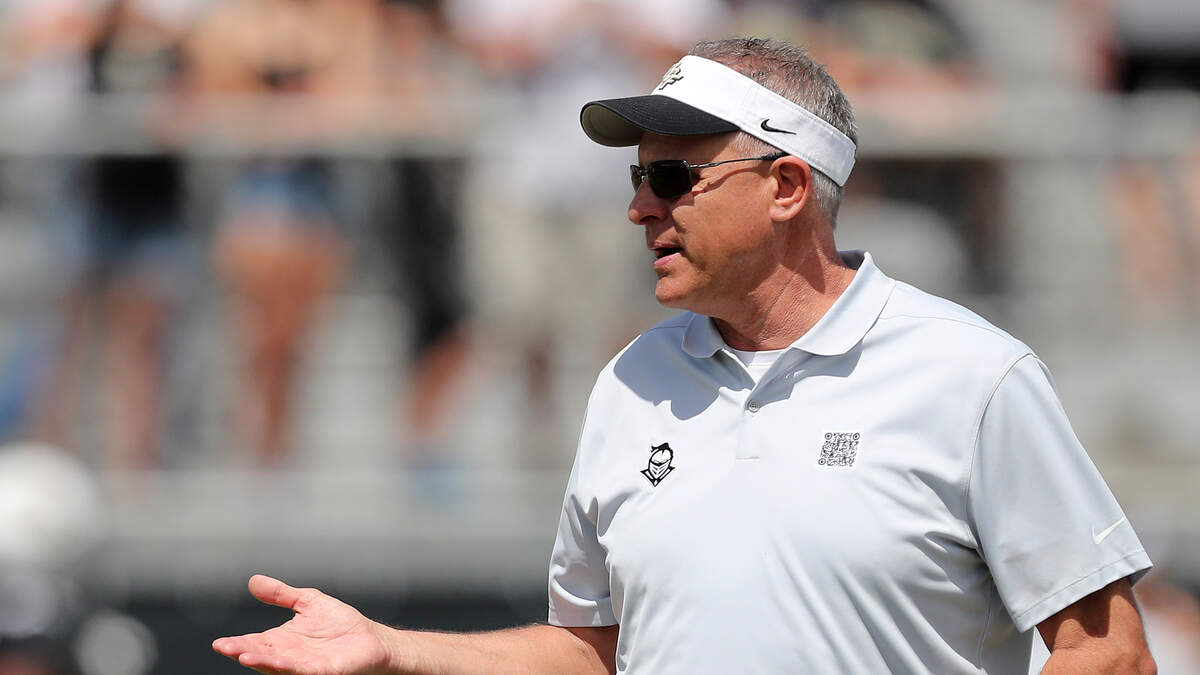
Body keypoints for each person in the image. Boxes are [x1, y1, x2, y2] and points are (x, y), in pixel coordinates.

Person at [213, 37, 1157, 674]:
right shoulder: (633, 380)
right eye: (639, 177)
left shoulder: (971, 376)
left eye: (671, 176)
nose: (639, 207)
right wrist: (395, 647)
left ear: (787, 186)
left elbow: (1107, 652)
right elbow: (590, 650)